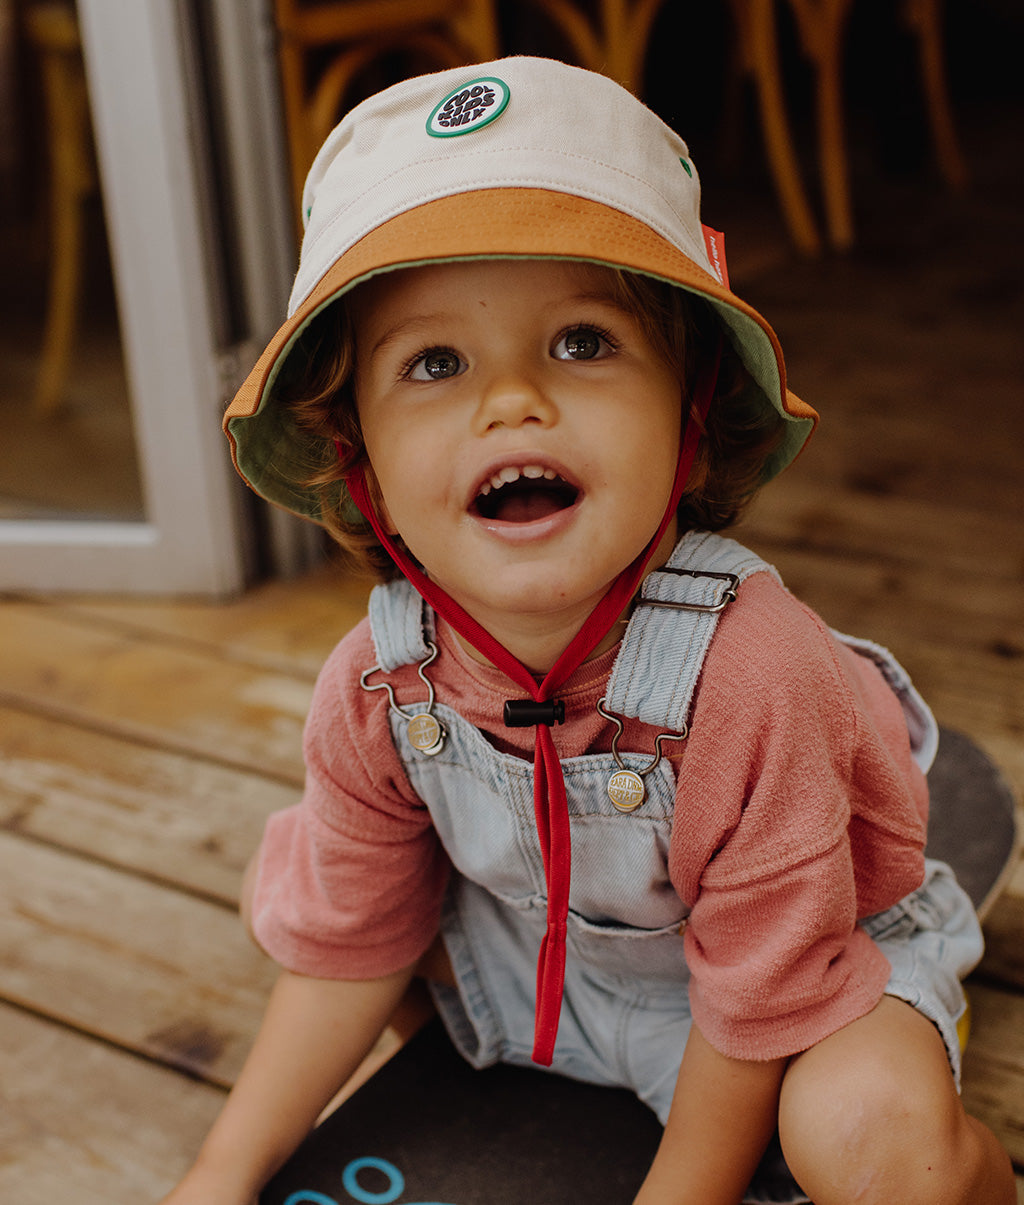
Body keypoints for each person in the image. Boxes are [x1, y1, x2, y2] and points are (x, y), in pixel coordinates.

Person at [161, 57, 1015, 1205]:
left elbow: (761, 992)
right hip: (525, 976)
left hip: (783, 992)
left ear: (692, 410)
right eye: (433, 362)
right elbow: (349, 948)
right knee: (308, 895)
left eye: (580, 341)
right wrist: (216, 1177)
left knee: (873, 1142)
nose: (511, 398)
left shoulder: (753, 671)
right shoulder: (376, 682)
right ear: (357, 464)